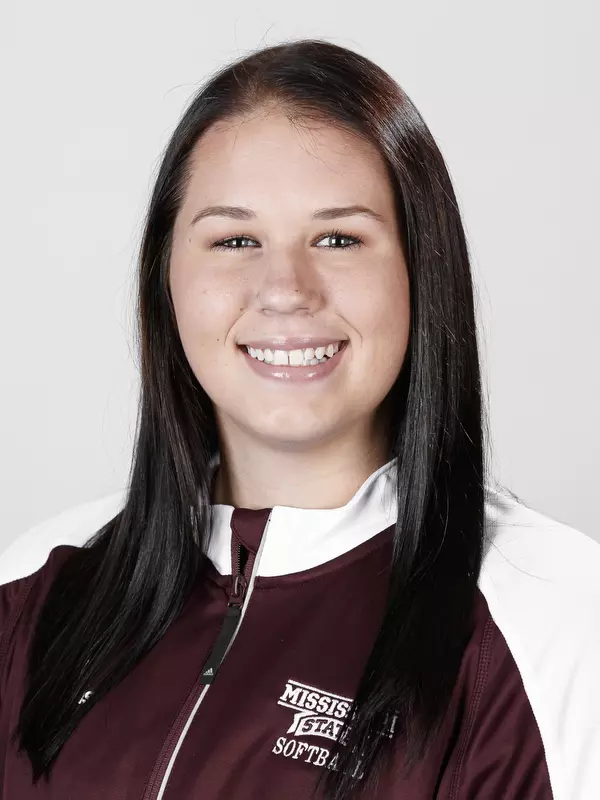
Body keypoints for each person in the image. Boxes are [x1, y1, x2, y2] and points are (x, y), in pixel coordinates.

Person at [0, 37, 598, 800]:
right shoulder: (35, 585)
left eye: (339, 238)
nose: (285, 288)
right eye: (235, 240)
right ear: (165, 279)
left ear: (422, 270)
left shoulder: (553, 613)